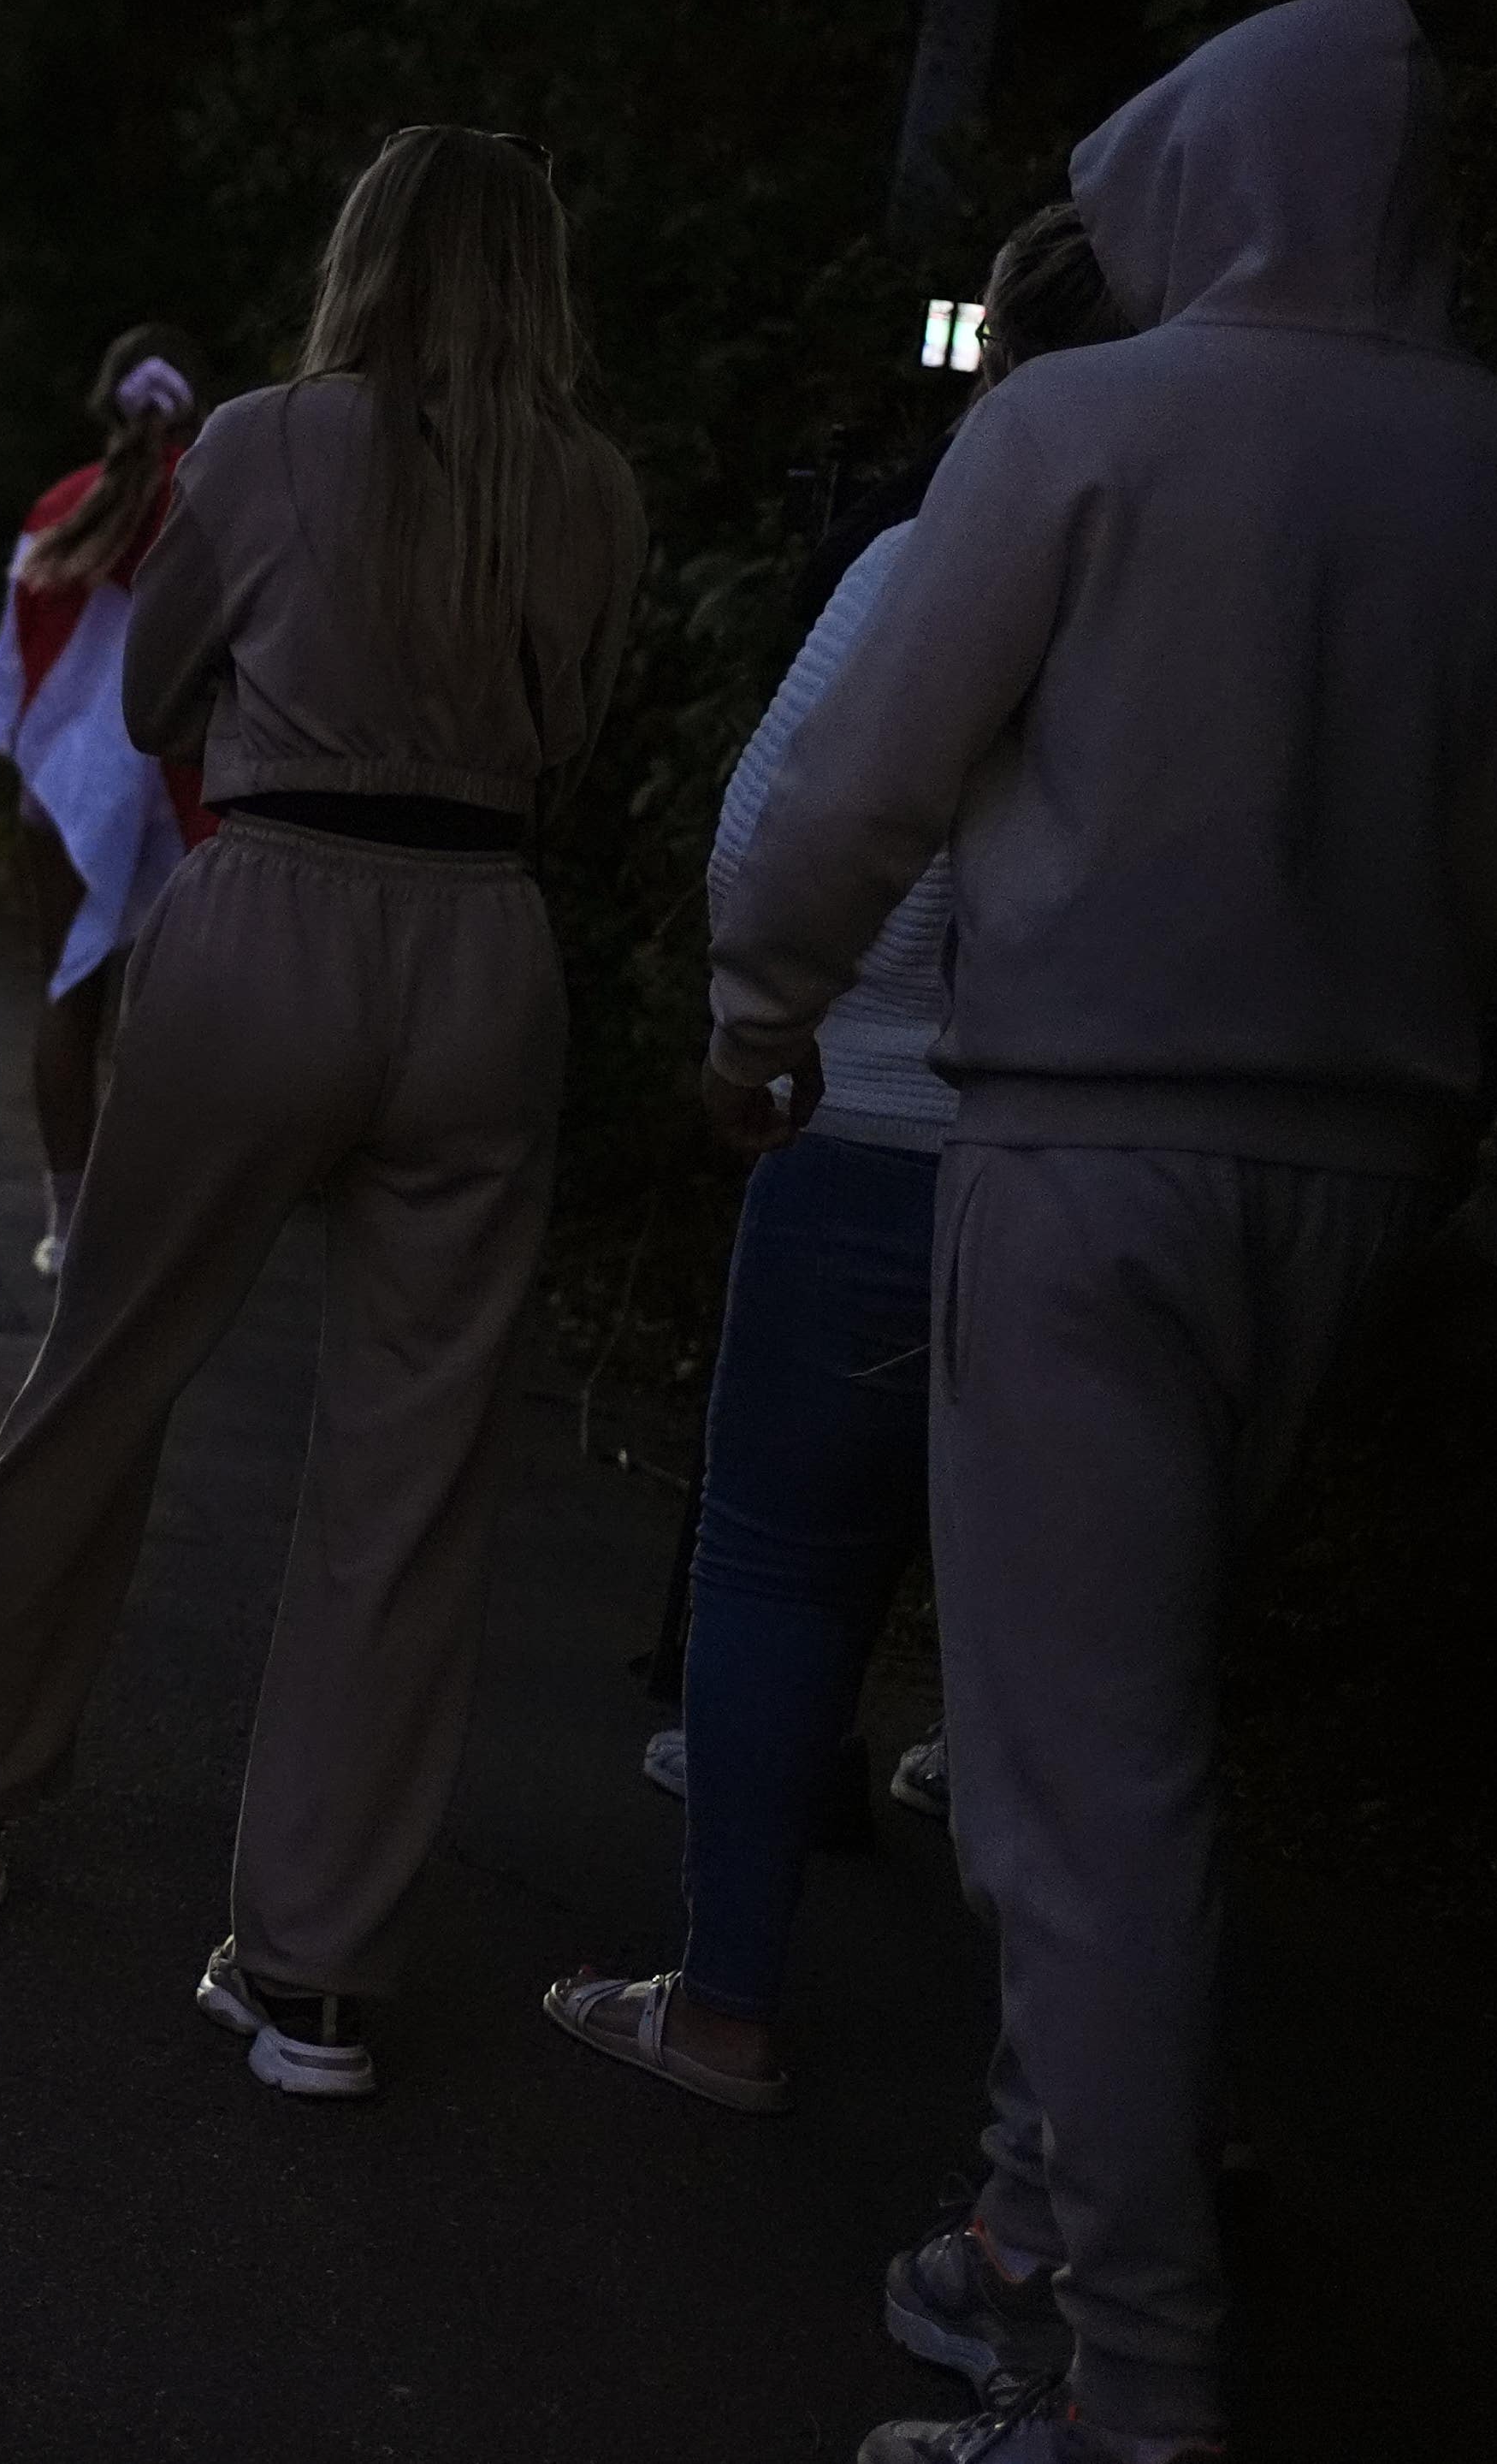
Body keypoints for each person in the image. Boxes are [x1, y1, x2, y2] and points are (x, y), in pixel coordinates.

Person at [708, 0, 1497, 2464]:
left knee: (1073, 1782)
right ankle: (1026, 2227)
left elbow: (861, 779)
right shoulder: (1472, 453)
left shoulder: (1081, 425)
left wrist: (756, 999)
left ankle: (1126, 2391)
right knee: (1138, 1732)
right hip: (1372, 1174)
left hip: (1081, 1149)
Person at [0, 127, 642, 2104]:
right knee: (409, 1471)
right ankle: (315, 1970)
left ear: (361, 256)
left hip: (272, 908)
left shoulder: (267, 440)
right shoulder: (589, 485)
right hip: (482, 943)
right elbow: (569, 740)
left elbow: (149, 701)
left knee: (112, 1357)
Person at [539, 208, 1122, 2126]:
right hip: (1118, 1165)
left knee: (780, 1563)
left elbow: (778, 828)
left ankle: (722, 2001)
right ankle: (1110, 2103)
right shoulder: (1230, 585)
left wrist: (755, 1032)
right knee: (1101, 1641)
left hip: (868, 1123)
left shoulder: (930, 555)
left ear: (996, 359)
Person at [0, 325, 217, 1274]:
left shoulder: (58, 506)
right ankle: (151, 1229)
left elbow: (11, 667)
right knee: (171, 1014)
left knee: (67, 990)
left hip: (67, 781)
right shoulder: (213, 504)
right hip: (183, 783)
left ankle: (67, 1222)